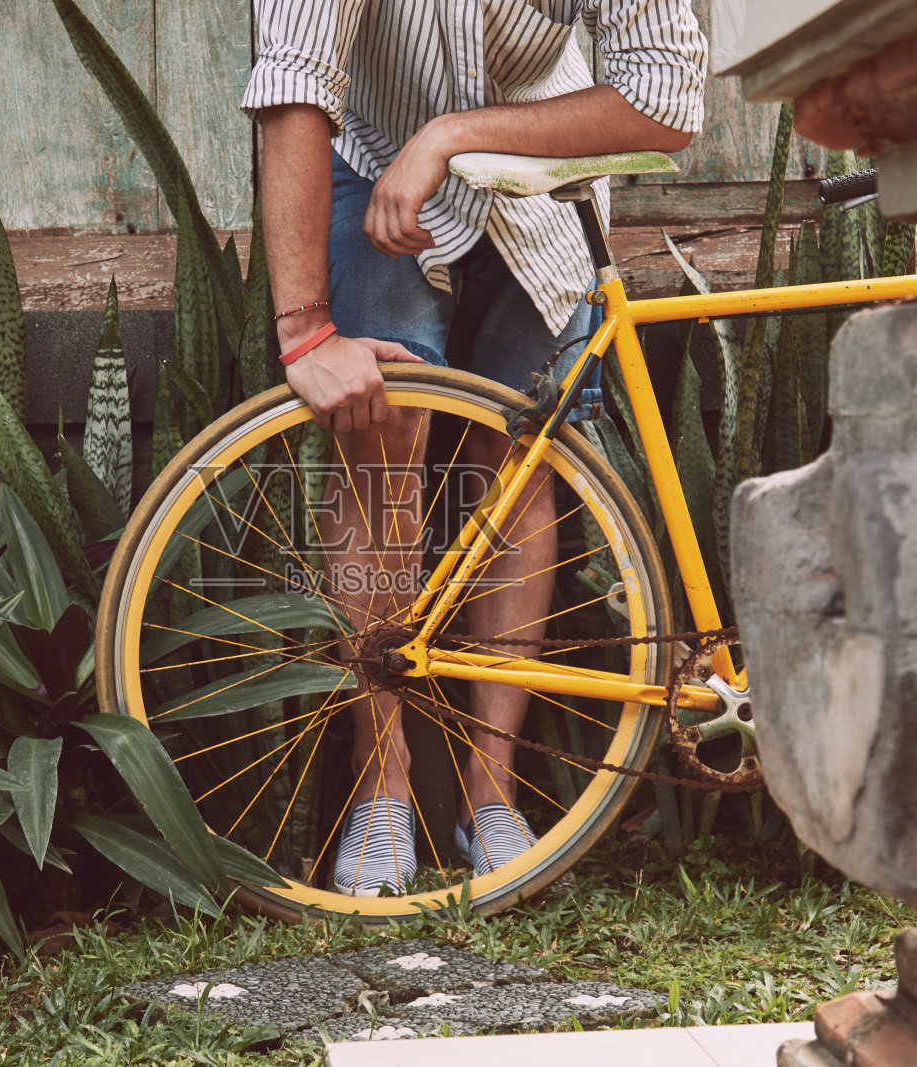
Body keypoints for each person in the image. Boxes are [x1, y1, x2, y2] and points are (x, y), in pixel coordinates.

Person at [242, 0, 706, 896]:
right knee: (382, 436)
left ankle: (488, 795)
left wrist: (454, 135)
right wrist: (304, 331)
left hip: (539, 162)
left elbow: (663, 97)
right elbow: (294, 80)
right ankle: (383, 784)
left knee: (518, 449)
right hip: (366, 149)